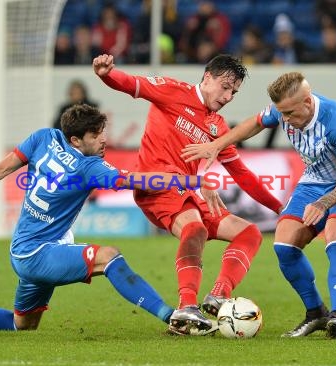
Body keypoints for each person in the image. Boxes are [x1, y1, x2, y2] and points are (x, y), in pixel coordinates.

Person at [0, 104, 223, 336]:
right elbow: (138, 180)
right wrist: (194, 183)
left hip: (24, 250)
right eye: (96, 135)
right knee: (109, 257)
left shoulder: (42, 138)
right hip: (38, 254)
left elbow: (0, 169)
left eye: (103, 131)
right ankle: (173, 316)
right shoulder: (89, 167)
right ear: (76, 139)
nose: (104, 139)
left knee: (22, 323)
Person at [92, 54, 283, 335]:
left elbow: (242, 174)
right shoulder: (171, 91)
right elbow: (131, 84)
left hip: (188, 191)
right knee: (194, 228)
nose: (228, 96)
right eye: (225, 87)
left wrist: (282, 209)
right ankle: (187, 307)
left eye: (234, 92)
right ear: (207, 77)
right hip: (155, 185)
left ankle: (218, 295)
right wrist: (107, 74)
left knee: (250, 233)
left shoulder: (218, 127)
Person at [181, 72, 336, 339]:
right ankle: (316, 313)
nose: (284, 120)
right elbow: (255, 123)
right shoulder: (284, 109)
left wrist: (323, 203)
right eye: (280, 113)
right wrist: (217, 144)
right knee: (284, 246)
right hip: (314, 181)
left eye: (289, 113)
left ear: (307, 102)